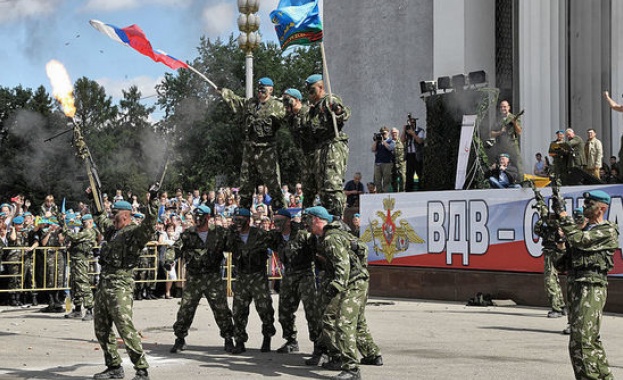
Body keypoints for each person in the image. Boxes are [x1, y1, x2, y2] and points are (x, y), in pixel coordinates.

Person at [304, 206, 380, 380]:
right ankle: (372, 355)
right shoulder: (335, 234)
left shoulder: (331, 238)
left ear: (316, 219)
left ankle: (350, 368)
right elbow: (362, 249)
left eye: (308, 220)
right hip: (357, 280)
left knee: (342, 322)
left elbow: (343, 265)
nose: (305, 224)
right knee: (357, 320)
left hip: (351, 283)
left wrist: (336, 286)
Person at [91, 194, 158, 380]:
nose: (112, 217)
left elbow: (150, 225)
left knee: (124, 327)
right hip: (104, 283)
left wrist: (153, 202)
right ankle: (114, 366)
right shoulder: (113, 231)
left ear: (126, 215)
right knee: (101, 328)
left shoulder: (134, 233)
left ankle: (141, 369)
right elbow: (98, 217)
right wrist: (92, 197)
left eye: (115, 213)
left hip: (120, 284)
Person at [557, 190, 619, 379]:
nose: (584, 207)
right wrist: (561, 243)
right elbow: (562, 264)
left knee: (582, 341)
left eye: (589, 204)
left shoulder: (607, 230)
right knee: (587, 340)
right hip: (577, 287)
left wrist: (566, 221)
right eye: (585, 203)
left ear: (602, 208)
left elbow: (581, 241)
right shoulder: (582, 231)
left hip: (592, 287)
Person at [170, 205, 234, 354]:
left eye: (200, 217)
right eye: (195, 216)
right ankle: (180, 338)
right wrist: (169, 259)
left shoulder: (219, 233)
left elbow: (233, 246)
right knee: (185, 309)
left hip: (213, 277)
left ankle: (228, 338)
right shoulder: (188, 234)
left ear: (207, 217)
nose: (197, 219)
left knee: (221, 310)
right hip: (194, 278)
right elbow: (175, 248)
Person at [285, 75, 351, 217]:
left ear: (321, 88)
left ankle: (337, 219)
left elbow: (343, 113)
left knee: (331, 185)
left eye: (312, 90)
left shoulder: (329, 100)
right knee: (322, 188)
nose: (310, 94)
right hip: (319, 149)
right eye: (308, 91)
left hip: (332, 145)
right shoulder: (312, 109)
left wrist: (337, 110)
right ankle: (326, 218)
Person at [219, 77, 286, 211]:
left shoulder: (278, 105)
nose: (260, 92)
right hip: (249, 149)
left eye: (263, 89)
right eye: (258, 89)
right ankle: (243, 215)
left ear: (271, 90)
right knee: (245, 184)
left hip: (266, 150)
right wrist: (223, 92)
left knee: (273, 184)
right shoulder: (250, 104)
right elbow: (236, 101)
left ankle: (281, 215)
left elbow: (289, 116)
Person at [270, 208, 319, 355]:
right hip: (288, 275)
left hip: (305, 275)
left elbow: (316, 253)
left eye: (279, 221)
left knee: (312, 312)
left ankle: (319, 345)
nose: (276, 224)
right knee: (284, 311)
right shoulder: (275, 237)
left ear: (288, 221)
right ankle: (291, 341)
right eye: (275, 220)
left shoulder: (303, 236)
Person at [227, 207, 276, 354]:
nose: (237, 223)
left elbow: (277, 243)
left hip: (258, 276)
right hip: (241, 276)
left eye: (240, 220)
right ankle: (240, 341)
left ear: (248, 221)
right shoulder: (232, 235)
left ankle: (267, 337)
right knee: (238, 311)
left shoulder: (259, 234)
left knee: (265, 309)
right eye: (235, 220)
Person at [532, 194, 566, 318]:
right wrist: (542, 217)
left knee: (549, 280)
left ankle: (556, 308)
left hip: (554, 251)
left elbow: (554, 225)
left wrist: (544, 214)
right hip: (550, 250)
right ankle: (561, 306)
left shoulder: (559, 221)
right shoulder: (551, 221)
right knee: (554, 279)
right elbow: (538, 230)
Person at [62, 213, 98, 321]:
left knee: (83, 284)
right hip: (75, 260)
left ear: (90, 222)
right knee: (75, 285)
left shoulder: (89, 232)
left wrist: (64, 226)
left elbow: (73, 237)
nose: (83, 224)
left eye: (85, 222)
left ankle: (89, 309)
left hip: (81, 261)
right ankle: (77, 309)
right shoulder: (83, 231)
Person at [490, 100, 523, 175]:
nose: (503, 108)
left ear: (508, 107)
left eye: (504, 106)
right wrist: (500, 132)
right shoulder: (498, 119)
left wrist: (514, 123)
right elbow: (491, 134)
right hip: (501, 145)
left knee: (517, 163)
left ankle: (520, 182)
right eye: (501, 107)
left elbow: (519, 131)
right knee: (499, 164)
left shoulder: (513, 117)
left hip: (511, 144)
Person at [402, 114, 425, 191]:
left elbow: (420, 141)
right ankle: (408, 191)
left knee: (419, 173)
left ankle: (421, 190)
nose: (411, 124)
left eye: (413, 122)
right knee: (409, 175)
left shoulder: (420, 130)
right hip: (409, 155)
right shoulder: (407, 131)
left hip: (417, 155)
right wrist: (404, 131)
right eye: (410, 122)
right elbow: (402, 140)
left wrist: (413, 133)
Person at [372, 126, 395, 193]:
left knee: (386, 180)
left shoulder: (391, 141)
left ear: (388, 133)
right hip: (378, 163)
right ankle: (379, 192)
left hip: (387, 163)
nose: (383, 135)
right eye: (381, 133)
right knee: (377, 180)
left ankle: (385, 193)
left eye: (384, 133)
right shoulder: (378, 142)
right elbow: (373, 149)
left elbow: (390, 148)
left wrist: (383, 141)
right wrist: (376, 141)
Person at [391, 127, 406, 192]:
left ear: (398, 133)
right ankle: (395, 193)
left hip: (401, 164)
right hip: (392, 164)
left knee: (403, 179)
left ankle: (402, 192)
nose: (394, 134)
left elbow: (406, 151)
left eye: (395, 133)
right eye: (393, 133)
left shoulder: (402, 142)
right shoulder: (389, 142)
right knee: (393, 180)